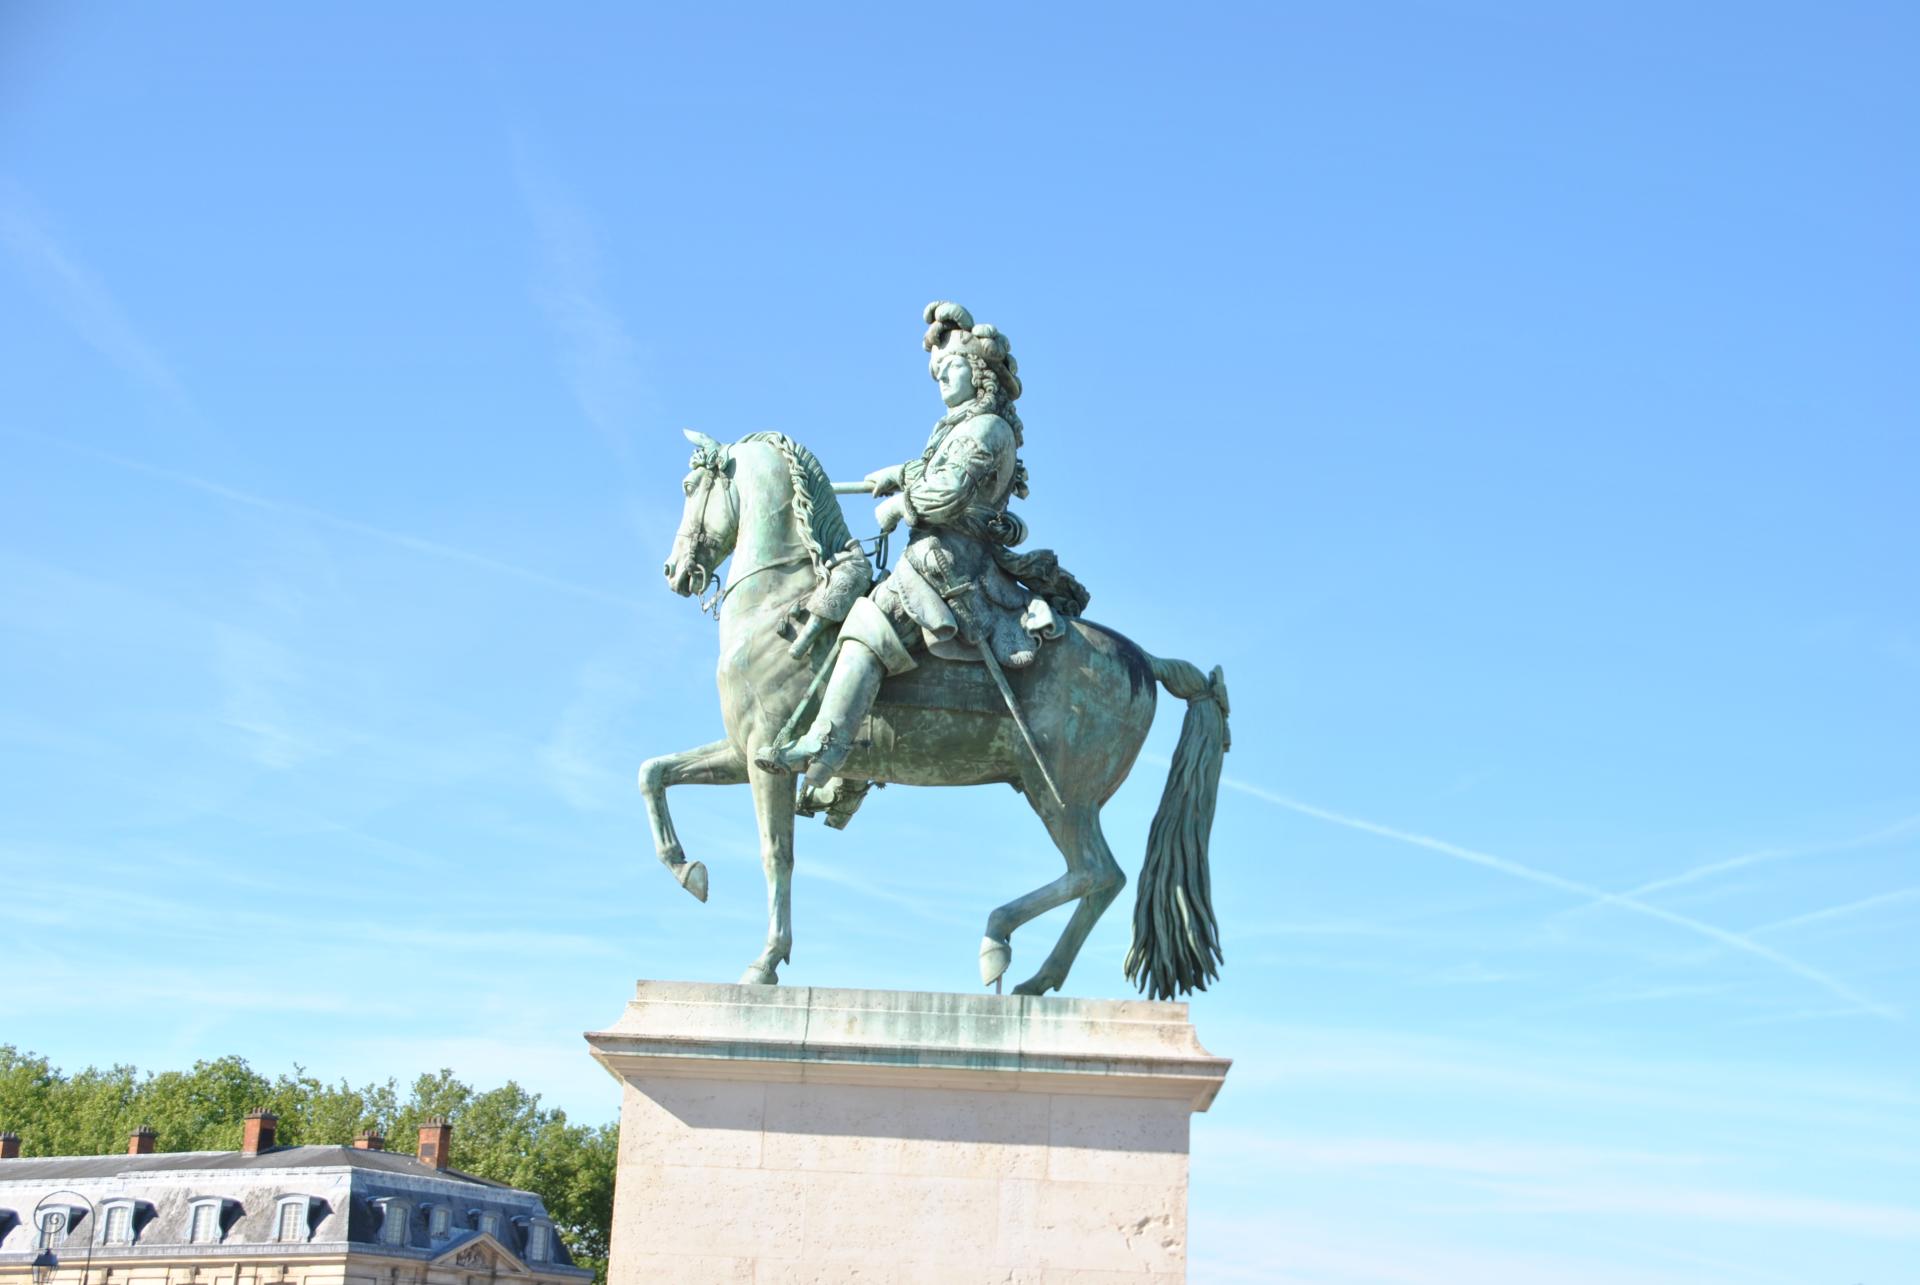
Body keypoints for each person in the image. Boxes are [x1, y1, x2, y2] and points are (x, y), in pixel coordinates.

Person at [756, 300, 1080, 779]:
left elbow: (949, 490)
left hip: (948, 559)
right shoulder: (964, 427)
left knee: (870, 622)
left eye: (951, 368)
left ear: (978, 373)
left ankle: (828, 748)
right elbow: (934, 470)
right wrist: (897, 473)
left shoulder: (987, 428)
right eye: (937, 373)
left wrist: (901, 505)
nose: (942, 379)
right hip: (941, 553)